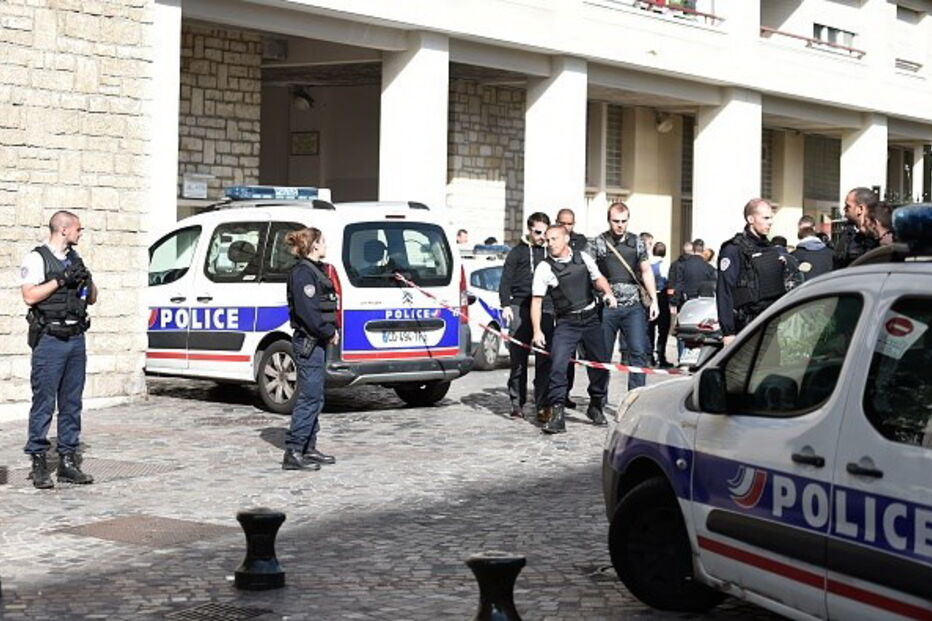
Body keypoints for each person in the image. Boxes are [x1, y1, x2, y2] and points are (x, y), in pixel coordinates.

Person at [20, 210, 98, 489]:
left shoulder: (75, 258)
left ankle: (67, 461)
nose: (81, 233)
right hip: (50, 339)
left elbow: (93, 298)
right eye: (78, 229)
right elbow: (29, 296)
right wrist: (61, 280)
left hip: (76, 338)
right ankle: (39, 462)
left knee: (72, 403)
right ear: (64, 230)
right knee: (44, 402)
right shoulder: (37, 258)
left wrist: (87, 279)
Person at [531, 224, 617, 433]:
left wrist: (608, 293)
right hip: (566, 323)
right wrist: (537, 331)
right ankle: (557, 414)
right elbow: (536, 302)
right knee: (558, 366)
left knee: (600, 364)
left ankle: (596, 404)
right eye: (548, 240)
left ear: (566, 239)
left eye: (554, 239)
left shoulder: (583, 257)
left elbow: (598, 278)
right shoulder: (544, 268)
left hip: (591, 319)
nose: (550, 243)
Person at [282, 227, 339, 471]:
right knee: (309, 397)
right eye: (323, 241)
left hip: (317, 342)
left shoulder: (315, 270)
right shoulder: (303, 273)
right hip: (309, 342)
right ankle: (294, 451)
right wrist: (329, 331)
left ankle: (308, 447)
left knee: (316, 396)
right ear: (314, 245)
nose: (326, 245)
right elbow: (308, 313)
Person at [591, 202, 659, 391]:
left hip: (634, 307)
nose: (620, 225)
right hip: (607, 307)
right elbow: (591, 273)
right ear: (608, 220)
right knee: (602, 354)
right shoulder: (597, 242)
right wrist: (603, 293)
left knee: (638, 352)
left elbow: (646, 272)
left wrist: (654, 301)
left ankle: (635, 396)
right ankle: (598, 398)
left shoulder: (637, 242)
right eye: (616, 221)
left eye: (623, 221)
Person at [499, 212, 552, 421]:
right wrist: (505, 305)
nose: (541, 237)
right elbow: (505, 280)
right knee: (518, 360)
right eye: (538, 232)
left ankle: (542, 404)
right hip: (520, 306)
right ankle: (517, 403)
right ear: (529, 230)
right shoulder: (517, 252)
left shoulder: (550, 251)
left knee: (544, 359)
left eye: (545, 233)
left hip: (544, 308)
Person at [717, 198, 790, 345]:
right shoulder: (734, 249)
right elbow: (724, 291)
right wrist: (728, 332)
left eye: (771, 218)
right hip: (746, 325)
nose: (770, 222)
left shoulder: (770, 249)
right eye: (765, 218)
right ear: (751, 219)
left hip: (770, 321)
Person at [835, 187, 880, 268]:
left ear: (860, 209)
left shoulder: (879, 236)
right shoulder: (848, 234)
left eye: (848, 206)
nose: (844, 209)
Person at [649, 241, 672, 367]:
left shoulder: (648, 263)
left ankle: (649, 356)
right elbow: (667, 280)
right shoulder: (664, 264)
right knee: (663, 329)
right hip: (661, 297)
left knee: (649, 328)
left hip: (649, 297)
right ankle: (660, 356)